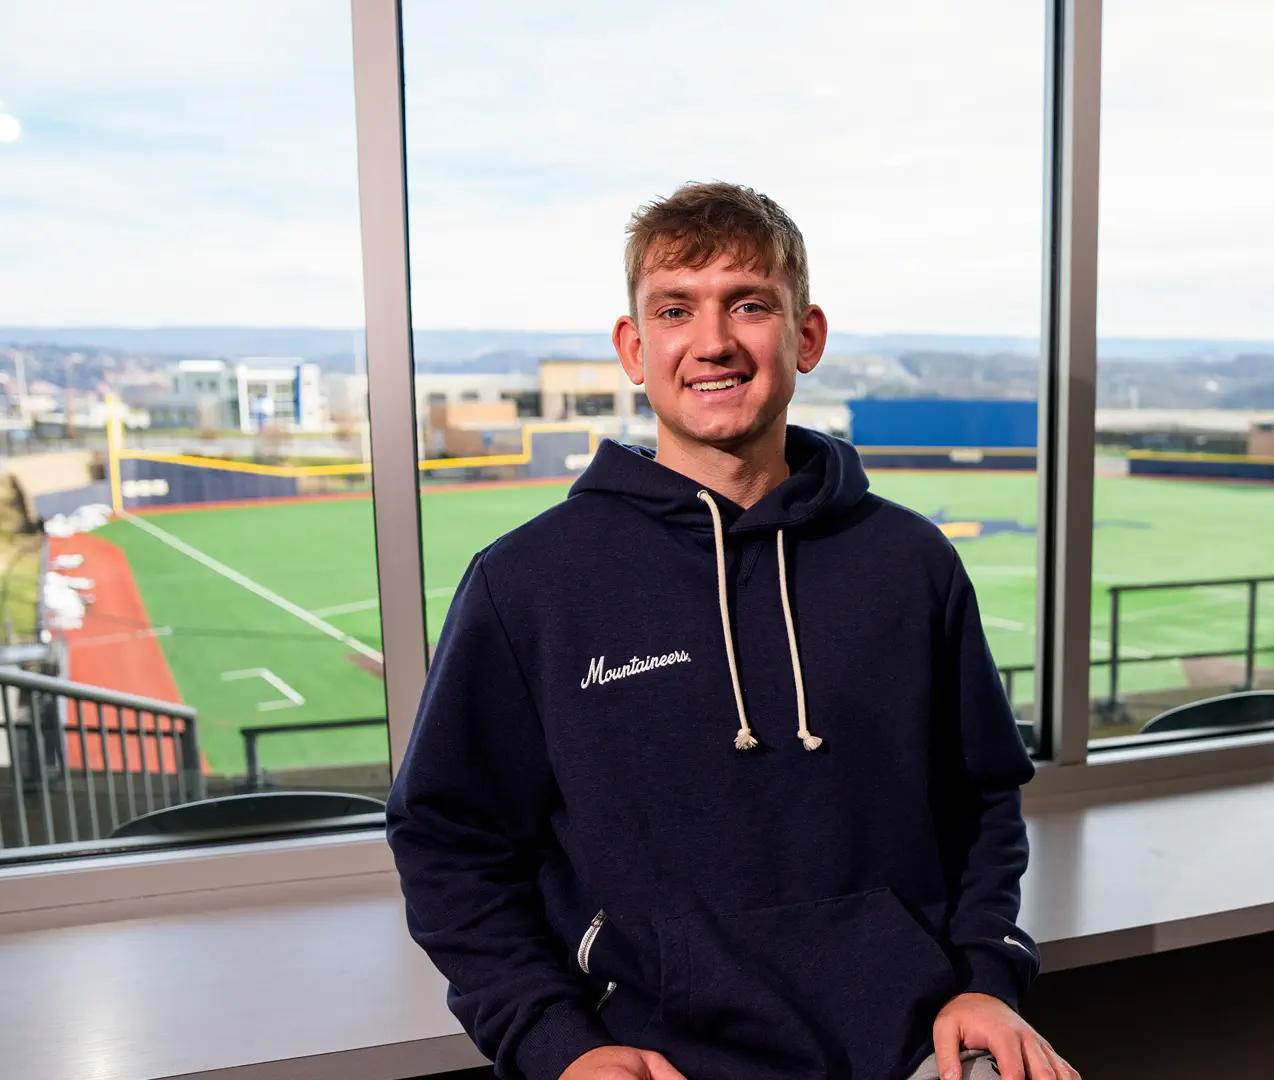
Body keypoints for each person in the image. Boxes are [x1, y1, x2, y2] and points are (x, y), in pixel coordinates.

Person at [387, 181, 1075, 1080]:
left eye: (750, 304)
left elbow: (981, 797)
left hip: (916, 1044)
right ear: (635, 349)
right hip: (659, 1063)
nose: (713, 341)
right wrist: (558, 1046)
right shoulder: (530, 583)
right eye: (676, 309)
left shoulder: (910, 562)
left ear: (807, 336)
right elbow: (448, 840)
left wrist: (985, 976)